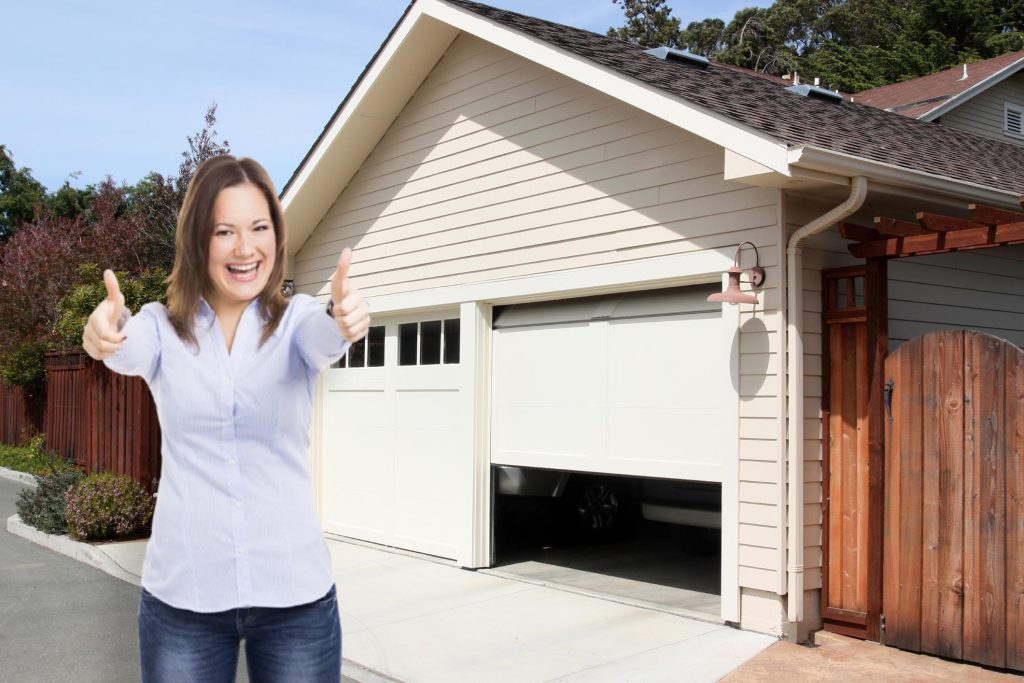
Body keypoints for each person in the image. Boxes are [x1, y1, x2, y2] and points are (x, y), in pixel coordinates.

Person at [82, 155, 369, 683]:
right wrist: (102, 329)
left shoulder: (297, 322)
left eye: (259, 228)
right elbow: (122, 344)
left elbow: (327, 336)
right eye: (224, 231)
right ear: (197, 239)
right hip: (184, 601)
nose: (245, 248)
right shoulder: (162, 329)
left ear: (276, 238)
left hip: (295, 599)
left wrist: (344, 316)